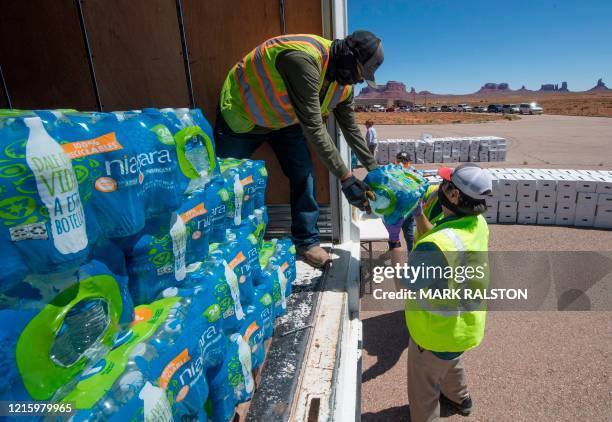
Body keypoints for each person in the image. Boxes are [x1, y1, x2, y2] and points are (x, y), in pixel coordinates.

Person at [215, 31, 384, 268]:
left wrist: (374, 170)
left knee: (303, 175)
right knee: (224, 182)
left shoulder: (343, 87)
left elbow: (350, 129)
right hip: (243, 115)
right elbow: (315, 128)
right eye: (359, 73)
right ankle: (218, 244)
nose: (358, 81)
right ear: (347, 58)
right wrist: (347, 179)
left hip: (284, 121)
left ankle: (307, 243)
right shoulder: (303, 59)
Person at [400, 163, 492, 422]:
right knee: (451, 361)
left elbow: (403, 283)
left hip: (434, 332)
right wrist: (419, 214)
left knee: (423, 389)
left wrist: (394, 238)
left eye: (445, 183)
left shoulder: (436, 246)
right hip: (464, 326)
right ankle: (461, 399)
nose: (439, 186)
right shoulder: (477, 223)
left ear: (453, 195)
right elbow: (442, 238)